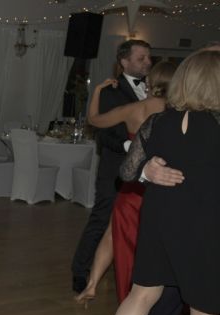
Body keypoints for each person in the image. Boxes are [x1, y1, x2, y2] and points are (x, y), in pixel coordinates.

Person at [89, 49, 220, 315]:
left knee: (141, 295)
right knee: (205, 311)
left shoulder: (157, 122)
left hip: (160, 221)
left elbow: (126, 173)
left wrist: (148, 169)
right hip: (205, 227)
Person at [75, 60, 176, 305]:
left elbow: (94, 120)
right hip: (162, 187)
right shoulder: (178, 114)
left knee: (112, 234)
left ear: (152, 82)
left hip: (132, 187)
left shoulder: (133, 109)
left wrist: (97, 90)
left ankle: (92, 285)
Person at [71, 40, 151, 293]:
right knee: (102, 219)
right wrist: (130, 147)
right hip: (115, 167)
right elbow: (103, 134)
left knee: (139, 221)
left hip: (146, 171)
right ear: (124, 62)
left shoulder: (155, 89)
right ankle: (80, 271)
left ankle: (132, 271)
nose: (147, 62)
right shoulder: (110, 91)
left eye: (149, 57)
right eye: (141, 58)